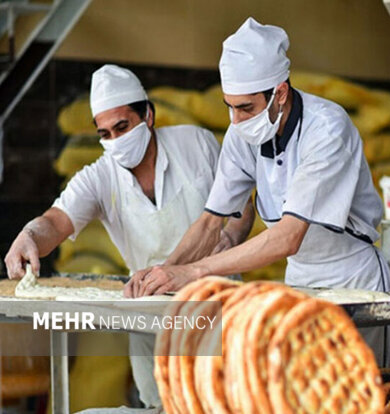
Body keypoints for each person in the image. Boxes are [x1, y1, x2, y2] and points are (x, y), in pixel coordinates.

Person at [3, 64, 253, 409]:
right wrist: (29, 235)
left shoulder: (195, 144)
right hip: (148, 314)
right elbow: (55, 221)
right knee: (158, 404)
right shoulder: (99, 177)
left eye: (123, 126)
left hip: (213, 305)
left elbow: (243, 205)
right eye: (105, 134)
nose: (116, 141)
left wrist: (231, 239)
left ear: (147, 115)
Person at [131, 18, 390, 309]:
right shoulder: (241, 133)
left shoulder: (326, 129)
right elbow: (210, 222)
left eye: (246, 107)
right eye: (229, 107)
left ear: (280, 93)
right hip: (299, 277)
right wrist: (164, 273)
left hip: (353, 280)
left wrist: (194, 271)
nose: (236, 120)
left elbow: (288, 238)